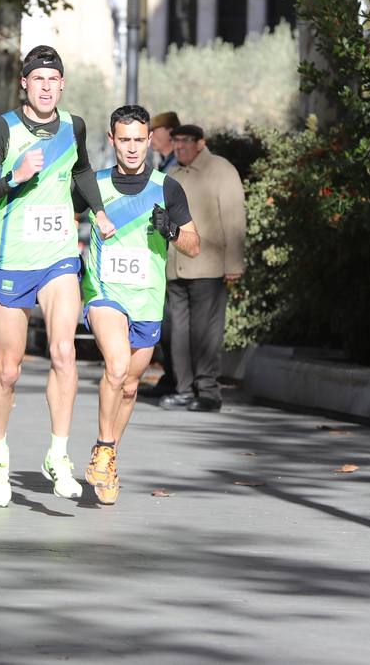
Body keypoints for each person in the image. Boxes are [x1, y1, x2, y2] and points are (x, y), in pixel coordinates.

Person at [0, 45, 115, 507]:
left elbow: (83, 171)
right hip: (11, 262)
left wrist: (100, 211)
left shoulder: (74, 126)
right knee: (8, 371)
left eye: (54, 79)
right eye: (38, 79)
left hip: (58, 258)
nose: (47, 87)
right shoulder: (2, 129)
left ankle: (58, 454)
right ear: (24, 84)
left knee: (65, 353)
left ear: (62, 84)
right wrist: (14, 177)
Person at [80, 105, 199, 504]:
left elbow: (194, 246)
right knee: (115, 367)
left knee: (129, 386)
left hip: (147, 299)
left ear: (150, 141)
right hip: (104, 292)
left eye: (138, 140)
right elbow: (55, 217)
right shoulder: (93, 184)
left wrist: (172, 230)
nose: (132, 148)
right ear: (112, 140)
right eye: (123, 140)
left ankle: (107, 455)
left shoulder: (167, 187)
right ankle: (104, 447)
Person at [160, 124, 245, 413]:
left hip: (208, 267)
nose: (180, 146)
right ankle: (183, 389)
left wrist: (234, 263)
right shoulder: (171, 176)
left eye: (186, 141)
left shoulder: (222, 170)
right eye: (176, 141)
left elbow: (234, 219)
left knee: (205, 333)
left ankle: (208, 392)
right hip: (175, 267)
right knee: (177, 332)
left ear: (200, 143)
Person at [139, 108, 182, 398]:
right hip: (160, 252)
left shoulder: (177, 166)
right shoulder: (166, 163)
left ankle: (177, 378)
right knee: (165, 319)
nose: (151, 139)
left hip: (176, 251)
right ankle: (171, 375)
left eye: (156, 132)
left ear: (169, 133)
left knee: (172, 321)